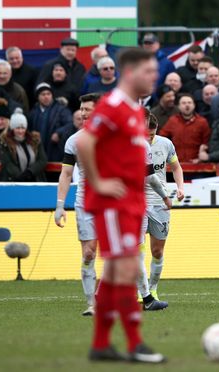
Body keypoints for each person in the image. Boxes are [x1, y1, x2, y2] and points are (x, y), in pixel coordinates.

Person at [74, 47, 167, 363]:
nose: (154, 77)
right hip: (113, 204)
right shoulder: (113, 105)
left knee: (116, 271)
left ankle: (101, 345)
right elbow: (84, 141)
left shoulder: (133, 109)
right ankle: (134, 343)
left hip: (131, 202)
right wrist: (98, 182)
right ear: (129, 73)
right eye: (148, 71)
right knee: (126, 268)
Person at [54, 93, 102, 316]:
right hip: (86, 203)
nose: (83, 113)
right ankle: (91, 303)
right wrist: (59, 205)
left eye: (87, 109)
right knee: (89, 253)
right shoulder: (74, 141)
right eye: (81, 109)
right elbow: (65, 174)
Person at [136, 111, 185, 305]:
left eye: (152, 134)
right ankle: (142, 291)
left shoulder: (165, 144)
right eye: (145, 134)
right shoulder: (133, 145)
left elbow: (176, 167)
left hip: (159, 205)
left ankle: (153, 289)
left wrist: (180, 187)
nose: (148, 138)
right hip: (138, 203)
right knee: (137, 250)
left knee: (157, 251)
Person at [158, 93, 210, 163]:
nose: (187, 105)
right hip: (177, 163)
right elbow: (161, 138)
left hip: (196, 163)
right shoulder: (173, 121)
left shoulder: (202, 122)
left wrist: (202, 156)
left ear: (194, 105)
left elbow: (207, 142)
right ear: (178, 106)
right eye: (183, 103)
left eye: (189, 102)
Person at [28, 83, 72, 162]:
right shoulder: (33, 112)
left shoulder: (61, 109)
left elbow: (70, 124)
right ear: (37, 97)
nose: (46, 97)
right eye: (43, 94)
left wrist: (58, 133)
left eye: (48, 94)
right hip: (38, 151)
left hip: (55, 150)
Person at [0, 112, 47, 182]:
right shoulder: (5, 142)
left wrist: (30, 172)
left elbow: (42, 160)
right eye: (17, 128)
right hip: (14, 180)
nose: (20, 131)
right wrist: (20, 176)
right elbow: (7, 162)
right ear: (12, 128)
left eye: (23, 128)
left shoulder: (35, 141)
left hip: (34, 179)